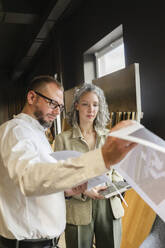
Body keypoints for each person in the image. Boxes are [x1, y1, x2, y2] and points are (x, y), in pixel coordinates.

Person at [0, 75, 136, 248]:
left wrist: (66, 190)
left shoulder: (36, 133)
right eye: (52, 103)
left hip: (43, 241)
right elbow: (30, 179)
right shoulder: (16, 132)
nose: (57, 112)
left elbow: (42, 180)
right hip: (28, 243)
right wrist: (101, 159)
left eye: (60, 107)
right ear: (31, 97)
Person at [55, 83, 124, 248]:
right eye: (85, 104)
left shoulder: (111, 137)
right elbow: (59, 177)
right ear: (77, 106)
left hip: (109, 205)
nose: (91, 109)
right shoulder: (62, 139)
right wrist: (84, 189)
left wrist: (112, 184)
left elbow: (119, 171)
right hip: (79, 206)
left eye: (95, 105)